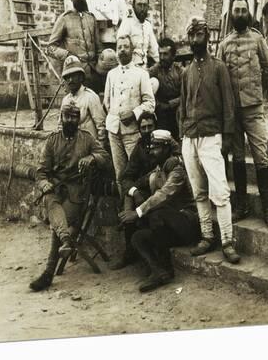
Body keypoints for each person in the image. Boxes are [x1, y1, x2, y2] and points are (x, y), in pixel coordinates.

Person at [29, 99, 111, 292]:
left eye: (75, 117)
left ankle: (48, 273)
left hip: (77, 194)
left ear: (79, 119)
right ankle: (66, 240)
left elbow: (105, 157)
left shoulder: (87, 138)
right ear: (61, 117)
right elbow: (41, 171)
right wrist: (44, 183)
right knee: (50, 200)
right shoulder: (52, 140)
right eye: (67, 116)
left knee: (60, 218)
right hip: (55, 190)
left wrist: (91, 157)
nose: (71, 120)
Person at [180, 16, 240, 264]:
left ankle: (227, 241)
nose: (195, 40)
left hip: (212, 137)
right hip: (189, 138)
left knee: (221, 192)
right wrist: (182, 133)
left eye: (200, 35)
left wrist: (226, 137)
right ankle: (207, 236)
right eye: (192, 36)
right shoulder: (186, 72)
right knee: (199, 192)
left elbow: (229, 105)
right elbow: (182, 107)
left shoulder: (219, 68)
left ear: (207, 38)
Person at [217, 0, 268, 229]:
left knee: (261, 157)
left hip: (254, 109)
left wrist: (260, 94)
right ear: (231, 14)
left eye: (244, 10)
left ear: (248, 13)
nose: (240, 14)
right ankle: (241, 205)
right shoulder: (224, 44)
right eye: (237, 10)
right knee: (239, 159)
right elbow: (219, 77)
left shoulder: (257, 39)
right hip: (233, 112)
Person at [119, 130, 200, 292]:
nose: (151, 151)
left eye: (156, 148)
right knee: (137, 237)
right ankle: (158, 271)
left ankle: (166, 268)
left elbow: (164, 194)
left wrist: (138, 212)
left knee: (156, 213)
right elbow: (133, 182)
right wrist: (134, 193)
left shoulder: (177, 169)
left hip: (187, 224)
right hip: (169, 227)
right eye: (150, 147)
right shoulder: (158, 169)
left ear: (166, 148)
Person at [111, 111, 180, 270]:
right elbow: (125, 177)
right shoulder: (140, 147)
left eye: (150, 126)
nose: (147, 130)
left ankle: (155, 259)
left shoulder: (165, 141)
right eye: (143, 128)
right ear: (139, 130)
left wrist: (176, 158)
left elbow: (180, 155)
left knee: (151, 210)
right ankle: (130, 251)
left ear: (156, 127)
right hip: (146, 187)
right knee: (128, 196)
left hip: (165, 190)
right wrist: (135, 192)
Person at [103, 34, 155, 197]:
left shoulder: (141, 74)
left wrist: (133, 114)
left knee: (136, 174)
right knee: (120, 175)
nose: (122, 50)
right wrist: (114, 118)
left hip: (133, 133)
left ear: (132, 50)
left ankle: (138, 213)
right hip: (114, 132)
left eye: (126, 47)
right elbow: (107, 102)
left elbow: (150, 103)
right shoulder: (111, 74)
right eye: (119, 47)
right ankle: (123, 212)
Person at [46, 0, 101, 86]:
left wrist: (100, 66)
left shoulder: (91, 18)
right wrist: (67, 55)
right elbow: (50, 48)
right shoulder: (64, 19)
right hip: (75, 73)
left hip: (94, 73)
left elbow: (99, 47)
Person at [59, 55, 106, 143]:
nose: (70, 80)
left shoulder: (90, 97)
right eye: (67, 77)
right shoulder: (65, 100)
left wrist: (98, 150)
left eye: (73, 76)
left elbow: (101, 127)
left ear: (81, 77)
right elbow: (60, 126)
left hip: (88, 146)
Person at [149, 37, 183, 140]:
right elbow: (146, 89)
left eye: (165, 54)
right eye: (160, 54)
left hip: (177, 111)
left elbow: (186, 94)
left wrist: (170, 104)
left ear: (173, 56)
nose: (162, 57)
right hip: (160, 112)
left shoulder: (180, 71)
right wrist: (159, 104)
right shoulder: (154, 70)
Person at [117, 0, 159, 69]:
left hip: (145, 69)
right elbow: (120, 52)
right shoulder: (127, 24)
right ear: (133, 6)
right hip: (130, 69)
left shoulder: (147, 25)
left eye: (145, 5)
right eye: (139, 5)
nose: (142, 9)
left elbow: (155, 51)